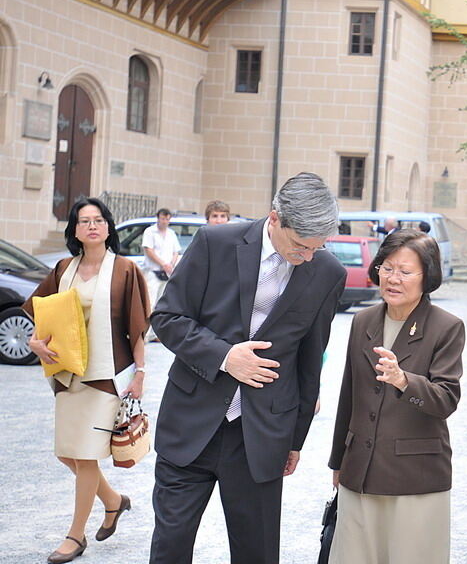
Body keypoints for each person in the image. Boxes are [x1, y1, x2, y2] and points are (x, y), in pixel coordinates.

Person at [148, 172, 347, 564]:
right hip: (190, 424)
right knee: (169, 548)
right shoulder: (214, 243)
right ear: (275, 218)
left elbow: (310, 363)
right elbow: (167, 317)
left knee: (256, 553)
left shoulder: (327, 273)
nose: (307, 256)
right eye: (300, 246)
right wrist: (225, 356)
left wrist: (295, 439)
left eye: (317, 247)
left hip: (261, 436)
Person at [25, 197, 150, 563]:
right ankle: (113, 501)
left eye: (98, 220)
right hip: (68, 374)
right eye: (84, 221)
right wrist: (35, 341)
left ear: (108, 228)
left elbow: (138, 328)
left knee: (84, 456)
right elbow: (40, 310)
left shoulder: (125, 269)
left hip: (106, 377)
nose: (92, 226)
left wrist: (141, 373)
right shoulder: (64, 268)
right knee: (67, 453)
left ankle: (75, 536)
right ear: (75, 230)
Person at [328, 229, 464, 564]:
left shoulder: (446, 327)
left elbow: (446, 399)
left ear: (426, 276)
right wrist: (337, 461)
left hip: (415, 476)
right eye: (387, 268)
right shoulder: (363, 321)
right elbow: (350, 395)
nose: (393, 278)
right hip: (360, 469)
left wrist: (404, 381)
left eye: (405, 271)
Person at [141, 208, 180, 340]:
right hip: (153, 271)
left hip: (167, 273)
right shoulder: (150, 232)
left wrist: (170, 264)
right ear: (158, 218)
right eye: (162, 218)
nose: (164, 221)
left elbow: (176, 252)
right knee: (150, 303)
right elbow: (148, 250)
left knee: (161, 305)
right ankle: (144, 335)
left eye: (167, 219)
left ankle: (154, 334)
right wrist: (163, 264)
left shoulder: (171, 234)